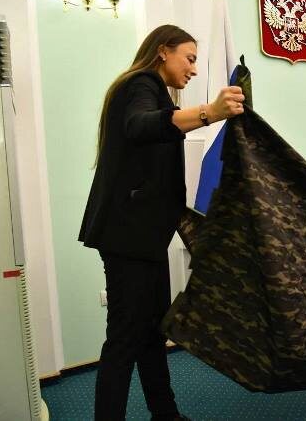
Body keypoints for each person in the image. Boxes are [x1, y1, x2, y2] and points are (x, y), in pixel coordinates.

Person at [78, 24, 244, 420]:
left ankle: (165, 414)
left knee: (152, 331)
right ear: (163, 51)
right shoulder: (141, 83)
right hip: (128, 237)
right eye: (189, 58)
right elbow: (140, 126)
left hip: (143, 237)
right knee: (124, 339)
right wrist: (209, 112)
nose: (193, 69)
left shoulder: (151, 90)